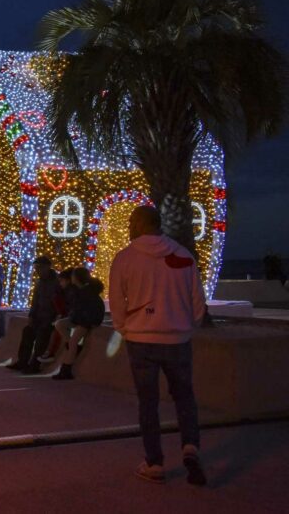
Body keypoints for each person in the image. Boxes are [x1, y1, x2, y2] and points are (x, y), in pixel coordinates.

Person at [110, 206, 206, 486]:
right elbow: (197, 302)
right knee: (184, 397)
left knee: (148, 403)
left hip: (141, 340)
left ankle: (155, 463)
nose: (128, 225)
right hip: (177, 340)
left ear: (140, 224)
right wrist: (187, 327)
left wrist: (125, 329)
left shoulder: (125, 258)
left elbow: (117, 303)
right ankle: (190, 446)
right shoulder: (183, 256)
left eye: (131, 221)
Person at [5, 256, 60, 373]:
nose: (37, 270)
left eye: (40, 268)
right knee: (27, 332)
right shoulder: (39, 282)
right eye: (36, 267)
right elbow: (35, 300)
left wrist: (56, 317)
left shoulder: (57, 282)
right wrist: (31, 315)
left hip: (50, 317)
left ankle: (35, 364)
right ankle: (22, 361)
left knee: (42, 337)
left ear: (47, 267)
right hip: (38, 316)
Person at [52, 267, 105, 381]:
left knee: (73, 341)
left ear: (77, 278)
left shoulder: (87, 292)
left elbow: (90, 310)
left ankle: (66, 369)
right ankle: (69, 343)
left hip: (87, 321)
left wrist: (80, 320)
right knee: (59, 324)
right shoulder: (78, 291)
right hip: (80, 318)